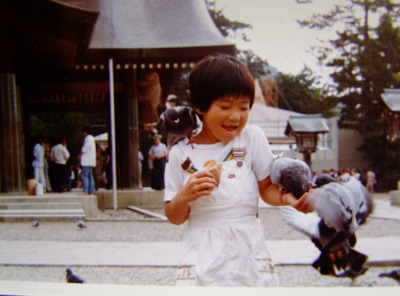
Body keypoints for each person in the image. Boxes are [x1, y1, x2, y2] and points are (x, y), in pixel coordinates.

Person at [164, 54, 311, 287]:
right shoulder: (180, 154)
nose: (236, 116)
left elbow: (266, 190)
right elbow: (174, 216)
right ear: (200, 106)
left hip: (248, 248)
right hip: (202, 250)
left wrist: (290, 199)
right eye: (225, 106)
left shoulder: (251, 138)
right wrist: (185, 195)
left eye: (244, 107)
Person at [78, 126, 96, 194]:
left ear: (85, 132)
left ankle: (85, 190)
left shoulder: (88, 139)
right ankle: (91, 190)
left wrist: (79, 154)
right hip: (90, 160)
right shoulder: (92, 138)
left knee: (84, 175)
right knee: (90, 176)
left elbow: (84, 149)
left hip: (87, 160)